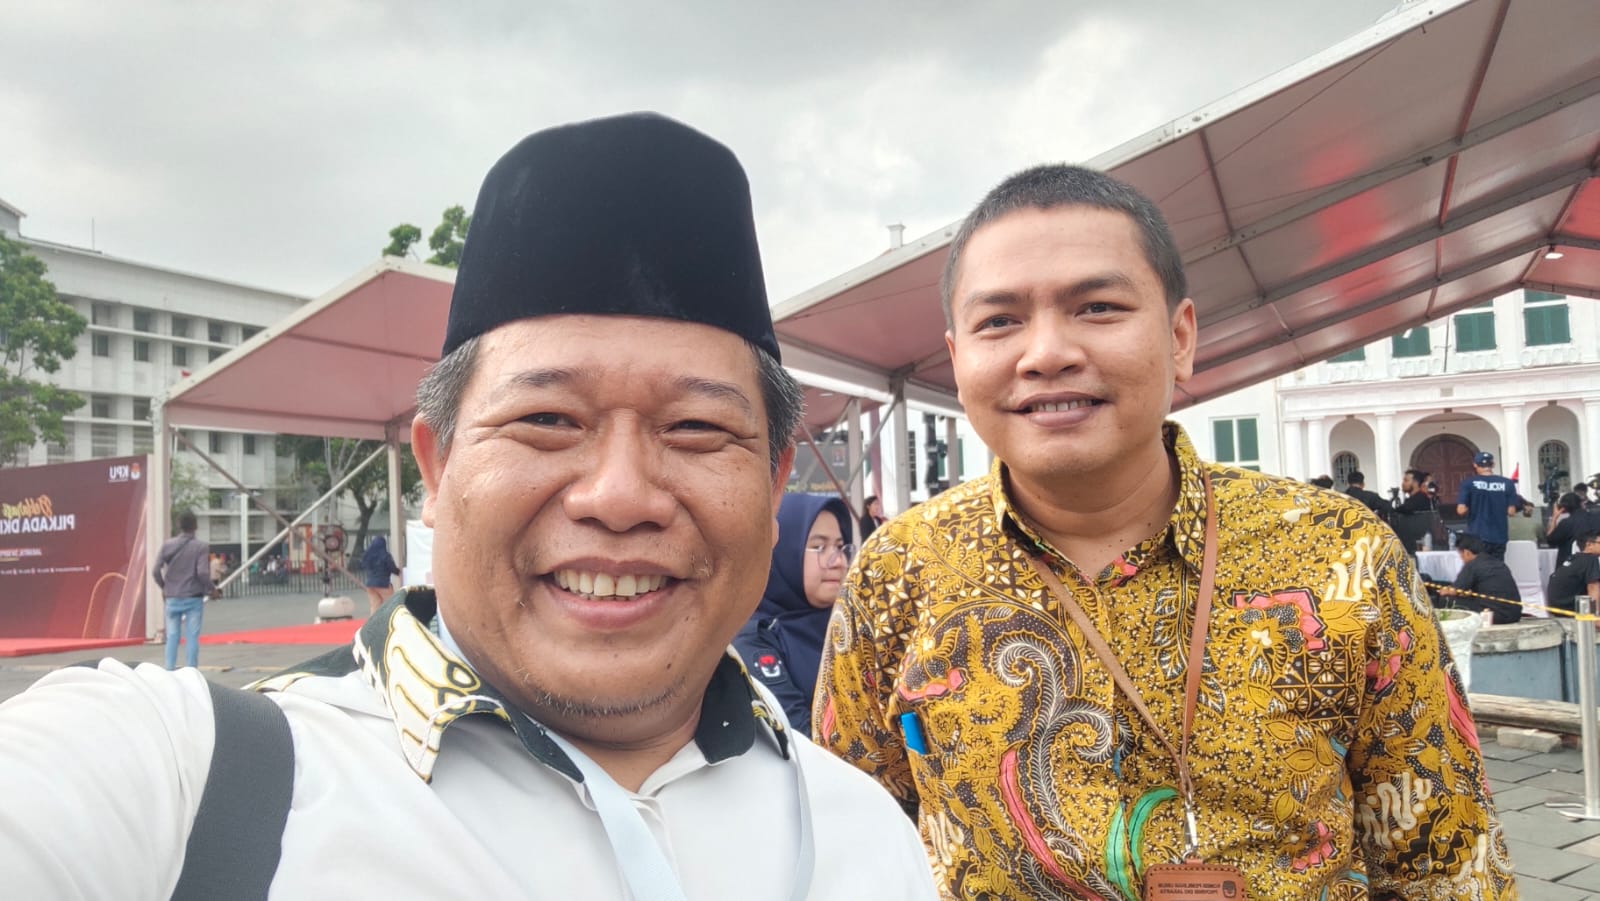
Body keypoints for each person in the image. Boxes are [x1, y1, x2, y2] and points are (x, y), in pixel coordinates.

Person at [0, 113, 934, 899]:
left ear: (771, 485)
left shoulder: (864, 835)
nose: (619, 496)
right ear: (437, 467)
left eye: (695, 428)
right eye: (546, 419)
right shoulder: (195, 778)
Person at [815, 164, 1514, 898]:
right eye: (999, 321)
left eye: (1097, 307)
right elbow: (849, 852)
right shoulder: (899, 571)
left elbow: (1447, 863)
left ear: (1180, 338)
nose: (1047, 353)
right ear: (959, 360)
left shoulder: (1342, 553)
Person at [734, 493, 853, 733]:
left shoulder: (850, 625)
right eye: (819, 547)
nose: (839, 561)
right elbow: (798, 737)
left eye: (840, 547)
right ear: (782, 551)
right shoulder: (757, 639)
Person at [152, 510, 214, 670]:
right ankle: (191, 670)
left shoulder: (167, 545)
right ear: (195, 526)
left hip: (172, 597)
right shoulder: (201, 547)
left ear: (179, 525)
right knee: (192, 636)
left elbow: (155, 570)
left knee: (172, 636)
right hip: (193, 597)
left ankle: (169, 668)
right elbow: (202, 573)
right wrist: (211, 589)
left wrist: (164, 587)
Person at [1435, 534, 1523, 624]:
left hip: (1494, 615)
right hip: (1514, 614)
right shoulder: (1498, 563)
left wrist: (1442, 591)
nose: (1461, 558)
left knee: (1445, 600)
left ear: (1466, 552)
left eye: (1460, 554)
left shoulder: (1472, 565)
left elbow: (1454, 590)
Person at [1455, 451, 1524, 559]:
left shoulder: (1468, 483)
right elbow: (1511, 512)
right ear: (1493, 465)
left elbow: (1461, 510)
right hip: (1499, 535)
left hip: (1476, 535)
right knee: (1497, 566)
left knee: (1479, 565)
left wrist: (1474, 504)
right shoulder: (1507, 483)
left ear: (1475, 465)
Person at [1546, 530, 1600, 613]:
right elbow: (1593, 587)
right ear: (1589, 544)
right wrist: (1595, 614)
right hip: (1572, 609)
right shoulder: (1591, 559)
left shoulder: (1573, 558)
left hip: (1556, 607)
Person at [1390, 468, 1436, 554]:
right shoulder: (1411, 499)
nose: (1403, 483)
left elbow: (1406, 509)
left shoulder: (1420, 498)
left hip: (1418, 544)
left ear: (1415, 483)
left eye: (1406, 480)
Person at [360, 535, 402, 614]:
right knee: (390, 604)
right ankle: (389, 619)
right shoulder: (385, 555)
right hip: (383, 584)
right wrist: (398, 572)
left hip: (370, 584)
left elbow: (363, 566)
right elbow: (391, 567)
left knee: (375, 605)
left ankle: (374, 620)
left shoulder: (368, 555)